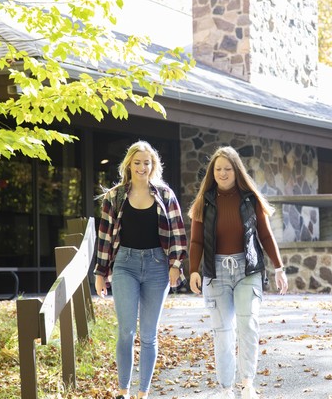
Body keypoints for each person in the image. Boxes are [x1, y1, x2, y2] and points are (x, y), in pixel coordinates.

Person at [188, 146, 288, 399]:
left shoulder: (249, 199)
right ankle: (226, 388)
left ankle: (247, 384)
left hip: (247, 269)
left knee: (248, 325)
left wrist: (279, 267)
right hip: (216, 272)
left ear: (236, 171)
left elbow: (265, 235)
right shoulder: (204, 201)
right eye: (218, 169)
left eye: (228, 169)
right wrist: (193, 271)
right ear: (213, 172)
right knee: (222, 333)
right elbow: (196, 241)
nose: (223, 173)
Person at [94, 141, 187, 399]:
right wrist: (100, 273)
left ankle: (142, 393)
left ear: (153, 165)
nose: (142, 167)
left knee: (148, 334)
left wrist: (175, 265)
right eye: (137, 162)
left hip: (158, 267)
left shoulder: (165, 195)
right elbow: (104, 237)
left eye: (147, 163)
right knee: (126, 330)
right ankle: (123, 390)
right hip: (125, 265)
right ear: (129, 165)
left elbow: (179, 234)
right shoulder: (115, 196)